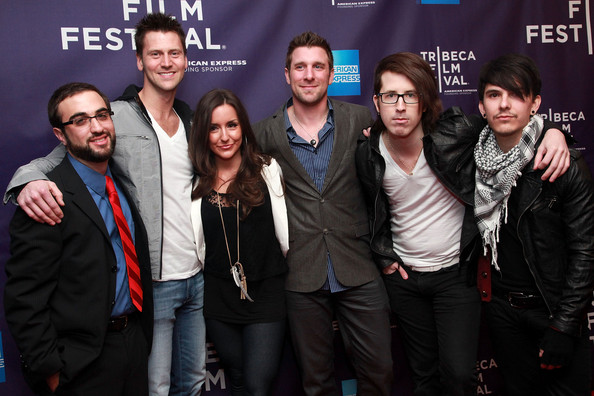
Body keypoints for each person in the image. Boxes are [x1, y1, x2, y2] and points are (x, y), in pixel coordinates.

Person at [4, 13, 206, 396]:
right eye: (155, 54)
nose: (166, 62)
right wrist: (26, 183)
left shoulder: (192, 120)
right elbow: (52, 162)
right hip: (150, 283)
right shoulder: (113, 116)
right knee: (156, 387)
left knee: (192, 382)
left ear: (185, 58)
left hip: (195, 276)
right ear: (139, 60)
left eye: (175, 53)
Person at [355, 52, 570, 396]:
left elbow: (512, 126)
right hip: (406, 281)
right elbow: (370, 212)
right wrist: (384, 256)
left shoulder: (455, 132)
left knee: (458, 376)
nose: (400, 106)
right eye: (390, 96)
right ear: (376, 102)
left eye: (410, 95)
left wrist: (554, 131)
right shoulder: (367, 152)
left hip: (456, 277)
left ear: (424, 102)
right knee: (423, 376)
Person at [253, 31, 393, 396]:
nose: (309, 75)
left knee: (379, 371)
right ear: (287, 74)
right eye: (300, 67)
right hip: (301, 272)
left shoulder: (362, 119)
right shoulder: (264, 133)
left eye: (318, 67)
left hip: (358, 264)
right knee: (316, 382)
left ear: (332, 74)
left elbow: (416, 141)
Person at [4, 82, 153, 396]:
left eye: (102, 115)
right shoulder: (46, 197)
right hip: (81, 363)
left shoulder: (120, 178)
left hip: (132, 347)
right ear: (60, 135)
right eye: (81, 120)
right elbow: (24, 298)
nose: (97, 127)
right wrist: (51, 371)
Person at [473, 54, 594, 396]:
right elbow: (419, 130)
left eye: (516, 95)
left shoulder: (564, 164)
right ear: (482, 106)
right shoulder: (473, 155)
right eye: (494, 95)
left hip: (552, 309)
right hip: (503, 312)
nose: (504, 105)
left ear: (535, 103)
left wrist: (564, 325)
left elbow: (586, 252)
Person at [189, 89, 289, 395]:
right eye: (214, 128)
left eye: (231, 125)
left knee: (258, 385)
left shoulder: (267, 170)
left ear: (243, 127)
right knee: (238, 377)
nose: (224, 136)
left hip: (266, 293)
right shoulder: (195, 181)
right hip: (219, 299)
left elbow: (283, 235)